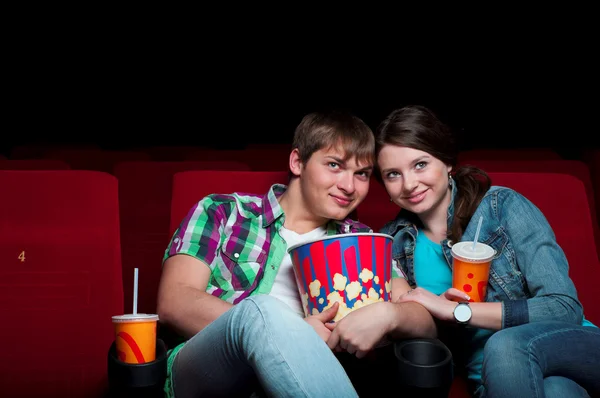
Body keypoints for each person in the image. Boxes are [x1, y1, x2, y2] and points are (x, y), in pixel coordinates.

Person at [157, 110, 437, 398]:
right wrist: (294, 334)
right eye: (334, 165)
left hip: (310, 377)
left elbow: (423, 322)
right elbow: (173, 301)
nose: (349, 186)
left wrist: (388, 313)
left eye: (361, 174)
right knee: (262, 311)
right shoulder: (223, 212)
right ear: (297, 162)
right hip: (212, 370)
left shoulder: (362, 240)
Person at [376, 104, 600, 397]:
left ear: (446, 162)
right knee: (558, 391)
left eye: (420, 164)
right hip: (495, 378)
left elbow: (564, 308)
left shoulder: (502, 207)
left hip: (574, 347)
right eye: (393, 174)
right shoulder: (391, 244)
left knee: (505, 344)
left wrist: (460, 311)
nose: (409, 183)